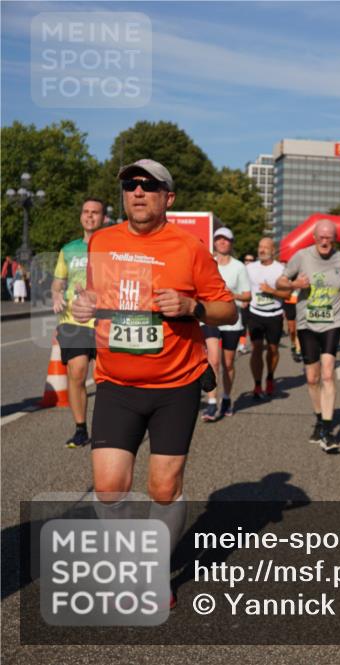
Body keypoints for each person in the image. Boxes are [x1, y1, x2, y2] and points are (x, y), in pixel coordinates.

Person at [71, 158, 236, 609]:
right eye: (130, 184)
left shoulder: (190, 248)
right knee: (108, 489)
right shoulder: (102, 242)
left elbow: (228, 311)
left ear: (169, 197)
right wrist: (86, 303)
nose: (137, 191)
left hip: (175, 387)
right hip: (116, 384)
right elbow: (96, 296)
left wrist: (191, 306)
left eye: (149, 185)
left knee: (163, 489)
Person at [277, 219, 340, 452]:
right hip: (307, 322)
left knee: (328, 374)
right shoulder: (302, 256)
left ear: (334, 238)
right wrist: (296, 283)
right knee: (312, 377)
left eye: (329, 237)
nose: (325, 241)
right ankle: (319, 418)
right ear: (315, 237)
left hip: (332, 321)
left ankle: (327, 429)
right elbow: (281, 281)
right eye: (321, 237)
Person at [51, 197, 104, 448]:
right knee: (77, 370)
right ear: (81, 216)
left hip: (104, 319)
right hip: (74, 319)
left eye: (95, 212)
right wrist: (57, 294)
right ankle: (81, 428)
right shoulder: (68, 249)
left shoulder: (112, 247)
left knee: (107, 378)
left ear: (103, 218)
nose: (90, 216)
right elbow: (58, 280)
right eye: (86, 211)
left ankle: (108, 426)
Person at [201, 227, 251, 421]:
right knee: (213, 360)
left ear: (231, 243)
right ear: (214, 242)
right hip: (210, 318)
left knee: (228, 363)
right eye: (219, 239)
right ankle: (212, 402)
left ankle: (227, 397)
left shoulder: (239, 267)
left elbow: (248, 295)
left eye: (226, 240)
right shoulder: (207, 262)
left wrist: (233, 295)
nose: (222, 242)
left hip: (231, 320)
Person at [245, 237, 290, 398]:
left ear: (273, 251)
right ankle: (257, 385)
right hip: (255, 313)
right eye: (260, 246)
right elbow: (245, 288)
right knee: (256, 348)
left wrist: (272, 291)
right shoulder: (250, 268)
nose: (262, 250)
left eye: (266, 247)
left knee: (273, 349)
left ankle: (270, 377)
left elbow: (287, 294)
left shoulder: (281, 269)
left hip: (274, 315)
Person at [283, 288, 302, 363]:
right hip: (289, 301)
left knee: (301, 327)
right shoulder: (287, 276)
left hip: (301, 300)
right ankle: (293, 344)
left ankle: (298, 350)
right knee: (292, 330)